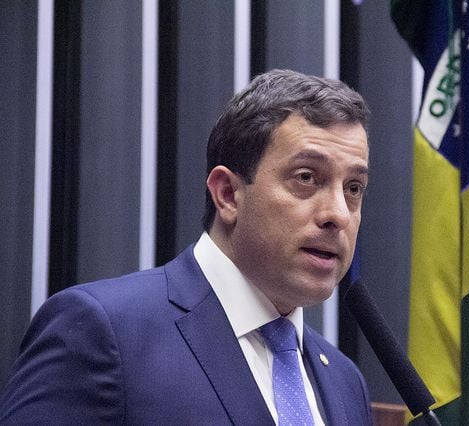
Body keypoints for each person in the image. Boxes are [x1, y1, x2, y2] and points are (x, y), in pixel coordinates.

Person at [0, 69, 372, 425]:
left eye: (353, 188)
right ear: (228, 195)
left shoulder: (345, 382)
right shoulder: (103, 332)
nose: (338, 214)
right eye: (306, 178)